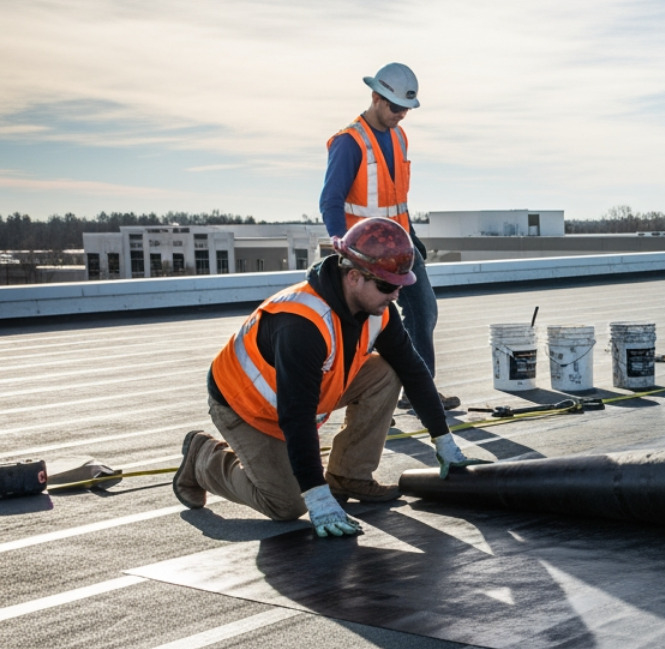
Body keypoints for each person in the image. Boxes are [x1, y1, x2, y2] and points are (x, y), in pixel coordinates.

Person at [173, 218, 486, 537]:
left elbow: (413, 370)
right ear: (354, 276)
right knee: (288, 505)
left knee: (389, 369)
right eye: (387, 286)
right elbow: (296, 417)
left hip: (301, 394)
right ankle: (204, 458)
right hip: (245, 405)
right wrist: (317, 496)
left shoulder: (378, 310)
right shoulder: (301, 324)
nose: (395, 295)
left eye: (400, 286)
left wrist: (445, 443)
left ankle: (349, 475)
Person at [319, 62, 458, 410]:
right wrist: (342, 245)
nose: (401, 115)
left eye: (406, 109)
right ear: (376, 97)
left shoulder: (398, 136)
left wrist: (411, 235)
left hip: (400, 247)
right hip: (363, 255)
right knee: (364, 330)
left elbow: (396, 196)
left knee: (424, 312)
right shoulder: (349, 143)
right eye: (396, 107)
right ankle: (368, 402)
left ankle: (419, 392)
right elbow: (330, 201)